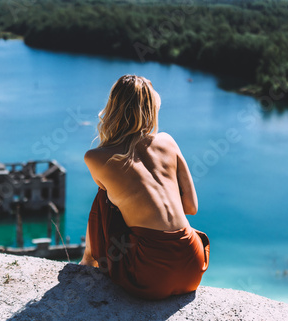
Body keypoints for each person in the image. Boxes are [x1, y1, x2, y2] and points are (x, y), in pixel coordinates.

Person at [79, 75, 210, 300]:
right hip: (192, 263)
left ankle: (88, 261)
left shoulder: (97, 157)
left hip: (150, 274)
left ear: (113, 108)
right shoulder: (168, 141)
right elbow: (190, 207)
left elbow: (110, 207)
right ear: (151, 108)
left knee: (104, 196)